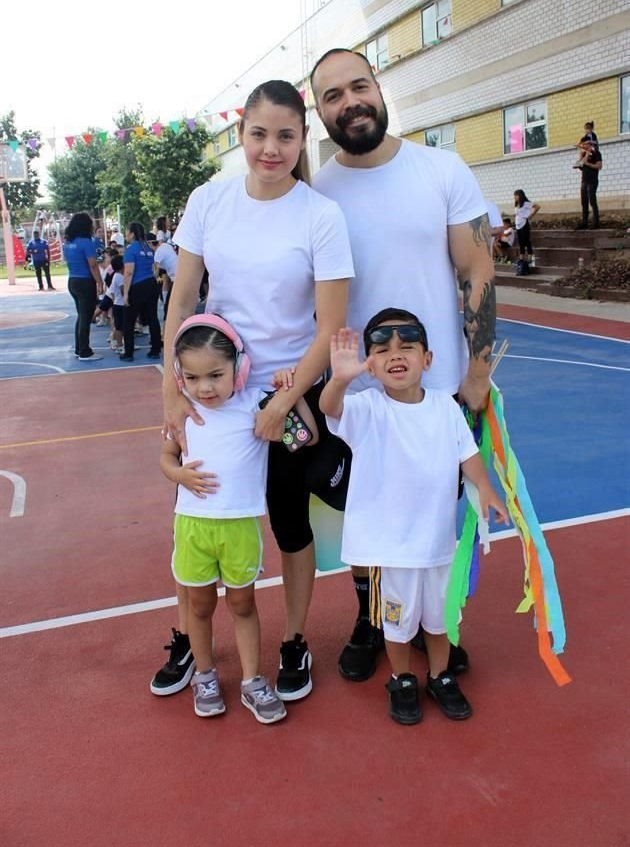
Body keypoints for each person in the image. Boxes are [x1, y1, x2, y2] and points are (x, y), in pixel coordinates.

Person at [154, 80, 354, 702]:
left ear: (302, 139)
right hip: (213, 389)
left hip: (288, 389)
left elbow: (329, 326)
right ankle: (193, 639)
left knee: (291, 524)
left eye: (286, 136)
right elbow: (183, 298)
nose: (272, 149)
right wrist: (171, 383)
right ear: (241, 134)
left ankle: (293, 640)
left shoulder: (320, 215)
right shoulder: (209, 201)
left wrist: (284, 402)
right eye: (259, 134)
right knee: (198, 515)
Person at [309, 48, 496, 682]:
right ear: (320, 112)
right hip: (360, 394)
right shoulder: (316, 191)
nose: (349, 101)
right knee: (366, 514)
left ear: (379, 88)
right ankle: (373, 618)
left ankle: (432, 624)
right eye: (332, 95)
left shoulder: (442, 169)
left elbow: (476, 269)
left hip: (438, 387)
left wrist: (476, 373)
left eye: (357, 85)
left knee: (435, 512)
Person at [320, 312, 507, 724]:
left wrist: (486, 488)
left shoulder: (444, 406)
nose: (395, 355)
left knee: (440, 624)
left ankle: (439, 677)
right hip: (392, 551)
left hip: (437, 544)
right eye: (382, 350)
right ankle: (402, 678)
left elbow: (468, 455)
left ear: (429, 358)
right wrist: (340, 378)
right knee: (397, 626)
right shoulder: (366, 408)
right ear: (369, 363)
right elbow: (329, 408)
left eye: (407, 347)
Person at [160, 314, 317, 722]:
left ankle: (251, 679)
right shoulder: (184, 411)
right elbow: (166, 455)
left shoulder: (255, 404)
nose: (205, 387)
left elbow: (305, 438)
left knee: (243, 603)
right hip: (192, 526)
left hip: (240, 527)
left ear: (239, 369)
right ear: (180, 378)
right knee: (198, 604)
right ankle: (206, 675)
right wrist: (177, 474)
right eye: (192, 378)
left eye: (215, 374)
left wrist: (290, 392)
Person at [63, 212, 103, 361]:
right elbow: (92, 264)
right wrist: (99, 281)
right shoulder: (87, 242)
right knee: (86, 317)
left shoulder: (68, 243)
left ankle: (79, 347)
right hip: (85, 281)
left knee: (81, 316)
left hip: (72, 280)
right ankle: (85, 351)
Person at [120, 221, 162, 361]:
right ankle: (155, 350)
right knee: (152, 318)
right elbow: (154, 268)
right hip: (151, 284)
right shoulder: (148, 248)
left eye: (127, 231)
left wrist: (126, 294)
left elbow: (129, 272)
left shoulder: (131, 250)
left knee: (129, 321)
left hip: (138, 286)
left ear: (132, 234)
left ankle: (128, 353)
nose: (126, 234)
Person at [146, 232, 178, 320]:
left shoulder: (158, 254)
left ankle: (166, 330)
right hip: (178, 277)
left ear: (149, 243)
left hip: (176, 279)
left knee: (168, 308)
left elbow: (155, 273)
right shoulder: (165, 246)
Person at [513, 189, 539, 267]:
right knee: (521, 242)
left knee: (526, 241)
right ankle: (521, 258)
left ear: (520, 196)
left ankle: (530, 257)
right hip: (518, 225)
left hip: (524, 224)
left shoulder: (526, 203)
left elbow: (537, 206)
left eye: (516, 195)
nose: (514, 197)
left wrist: (531, 215)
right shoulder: (517, 204)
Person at [579, 142, 602, 229]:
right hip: (584, 180)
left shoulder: (596, 153)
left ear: (590, 144)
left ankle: (596, 223)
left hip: (592, 180)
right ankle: (584, 223)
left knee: (592, 201)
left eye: (585, 144)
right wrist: (581, 157)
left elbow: (599, 166)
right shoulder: (584, 154)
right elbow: (581, 166)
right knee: (584, 202)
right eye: (583, 144)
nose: (584, 146)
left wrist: (588, 163)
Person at [107, 254, 125, 353]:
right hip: (120, 305)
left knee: (120, 325)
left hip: (117, 304)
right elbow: (123, 291)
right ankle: (119, 345)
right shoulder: (119, 277)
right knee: (119, 327)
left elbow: (112, 292)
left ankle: (120, 344)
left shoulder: (116, 276)